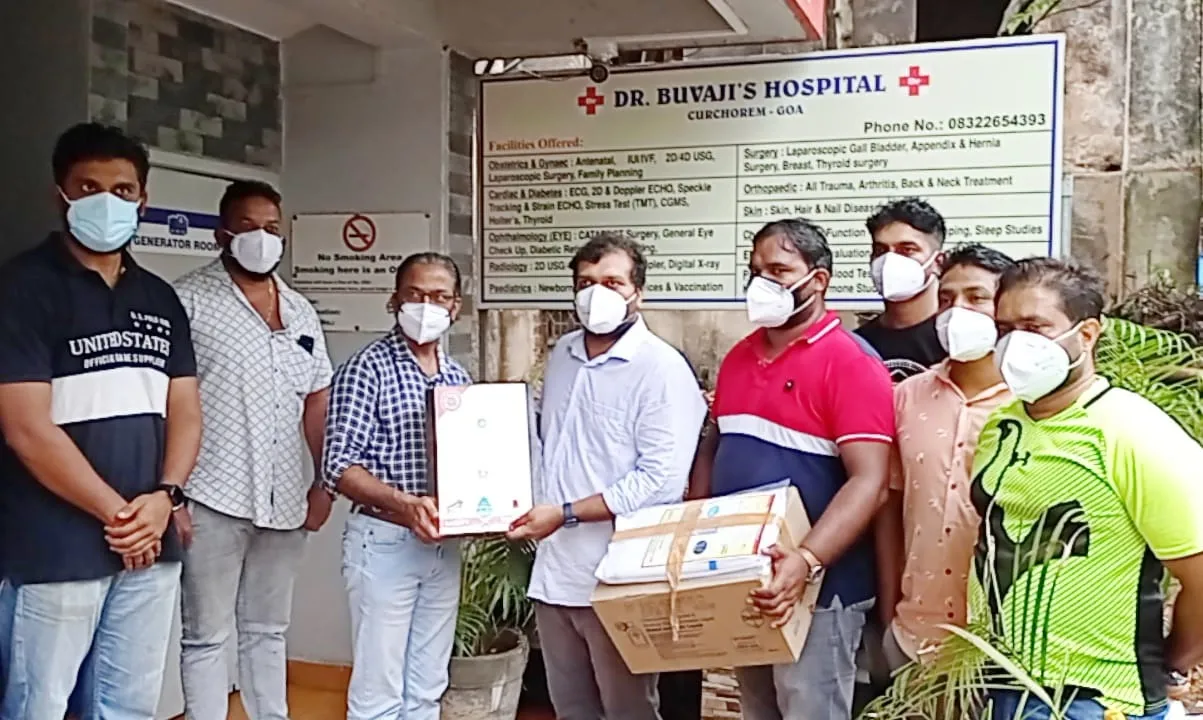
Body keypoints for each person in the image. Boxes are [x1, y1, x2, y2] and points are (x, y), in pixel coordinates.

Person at [0, 122, 202, 719]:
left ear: (143, 198)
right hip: (55, 548)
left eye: (122, 189)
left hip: (149, 542)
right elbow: (26, 428)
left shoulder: (160, 297)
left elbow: (186, 410)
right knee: (38, 705)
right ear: (60, 194)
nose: (107, 201)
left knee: (129, 706)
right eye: (88, 187)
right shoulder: (22, 289)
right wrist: (122, 516)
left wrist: (166, 497)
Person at [974, 258, 1203, 720]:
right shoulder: (1001, 426)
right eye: (1004, 329)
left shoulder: (1132, 432)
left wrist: (1172, 663)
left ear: (1087, 334)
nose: (1015, 344)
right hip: (997, 682)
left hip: (1098, 698)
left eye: (1034, 327)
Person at [689, 218, 894, 720]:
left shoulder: (851, 363)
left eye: (779, 270)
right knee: (757, 708)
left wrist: (806, 559)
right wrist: (694, 528)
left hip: (819, 591)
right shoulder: (739, 357)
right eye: (755, 270)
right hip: (745, 579)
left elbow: (870, 481)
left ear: (818, 280)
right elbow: (716, 442)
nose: (762, 282)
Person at [507, 233, 706, 720]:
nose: (597, 294)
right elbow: (545, 445)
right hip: (555, 575)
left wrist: (565, 513)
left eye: (612, 282)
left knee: (628, 710)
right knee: (571, 708)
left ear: (638, 292)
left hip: (619, 577)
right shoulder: (563, 355)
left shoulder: (661, 369)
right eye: (586, 283)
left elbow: (659, 480)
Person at [173, 180, 333, 720]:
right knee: (206, 636)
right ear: (222, 233)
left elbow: (317, 397)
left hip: (285, 500)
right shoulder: (188, 301)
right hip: (210, 496)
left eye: (271, 228)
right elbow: (165, 401)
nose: (261, 238)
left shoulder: (301, 310)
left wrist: (323, 482)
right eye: (247, 226)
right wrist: (171, 494)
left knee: (268, 630)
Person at [322, 253, 470, 720]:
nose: (427, 306)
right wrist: (404, 505)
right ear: (394, 300)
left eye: (439, 297)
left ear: (456, 306)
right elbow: (338, 466)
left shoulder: (457, 378)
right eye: (415, 294)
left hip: (442, 545)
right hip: (384, 542)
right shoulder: (367, 368)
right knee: (378, 693)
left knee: (426, 688)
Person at [875, 243, 1015, 672]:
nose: (958, 311)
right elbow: (891, 507)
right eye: (947, 298)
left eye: (976, 297)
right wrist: (889, 612)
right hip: (913, 634)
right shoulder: (906, 397)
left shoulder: (1031, 404)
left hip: (1003, 647)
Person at [856, 198, 949, 382]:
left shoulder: (954, 337)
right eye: (880, 251)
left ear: (938, 263)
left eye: (907, 250)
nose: (889, 261)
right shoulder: (858, 344)